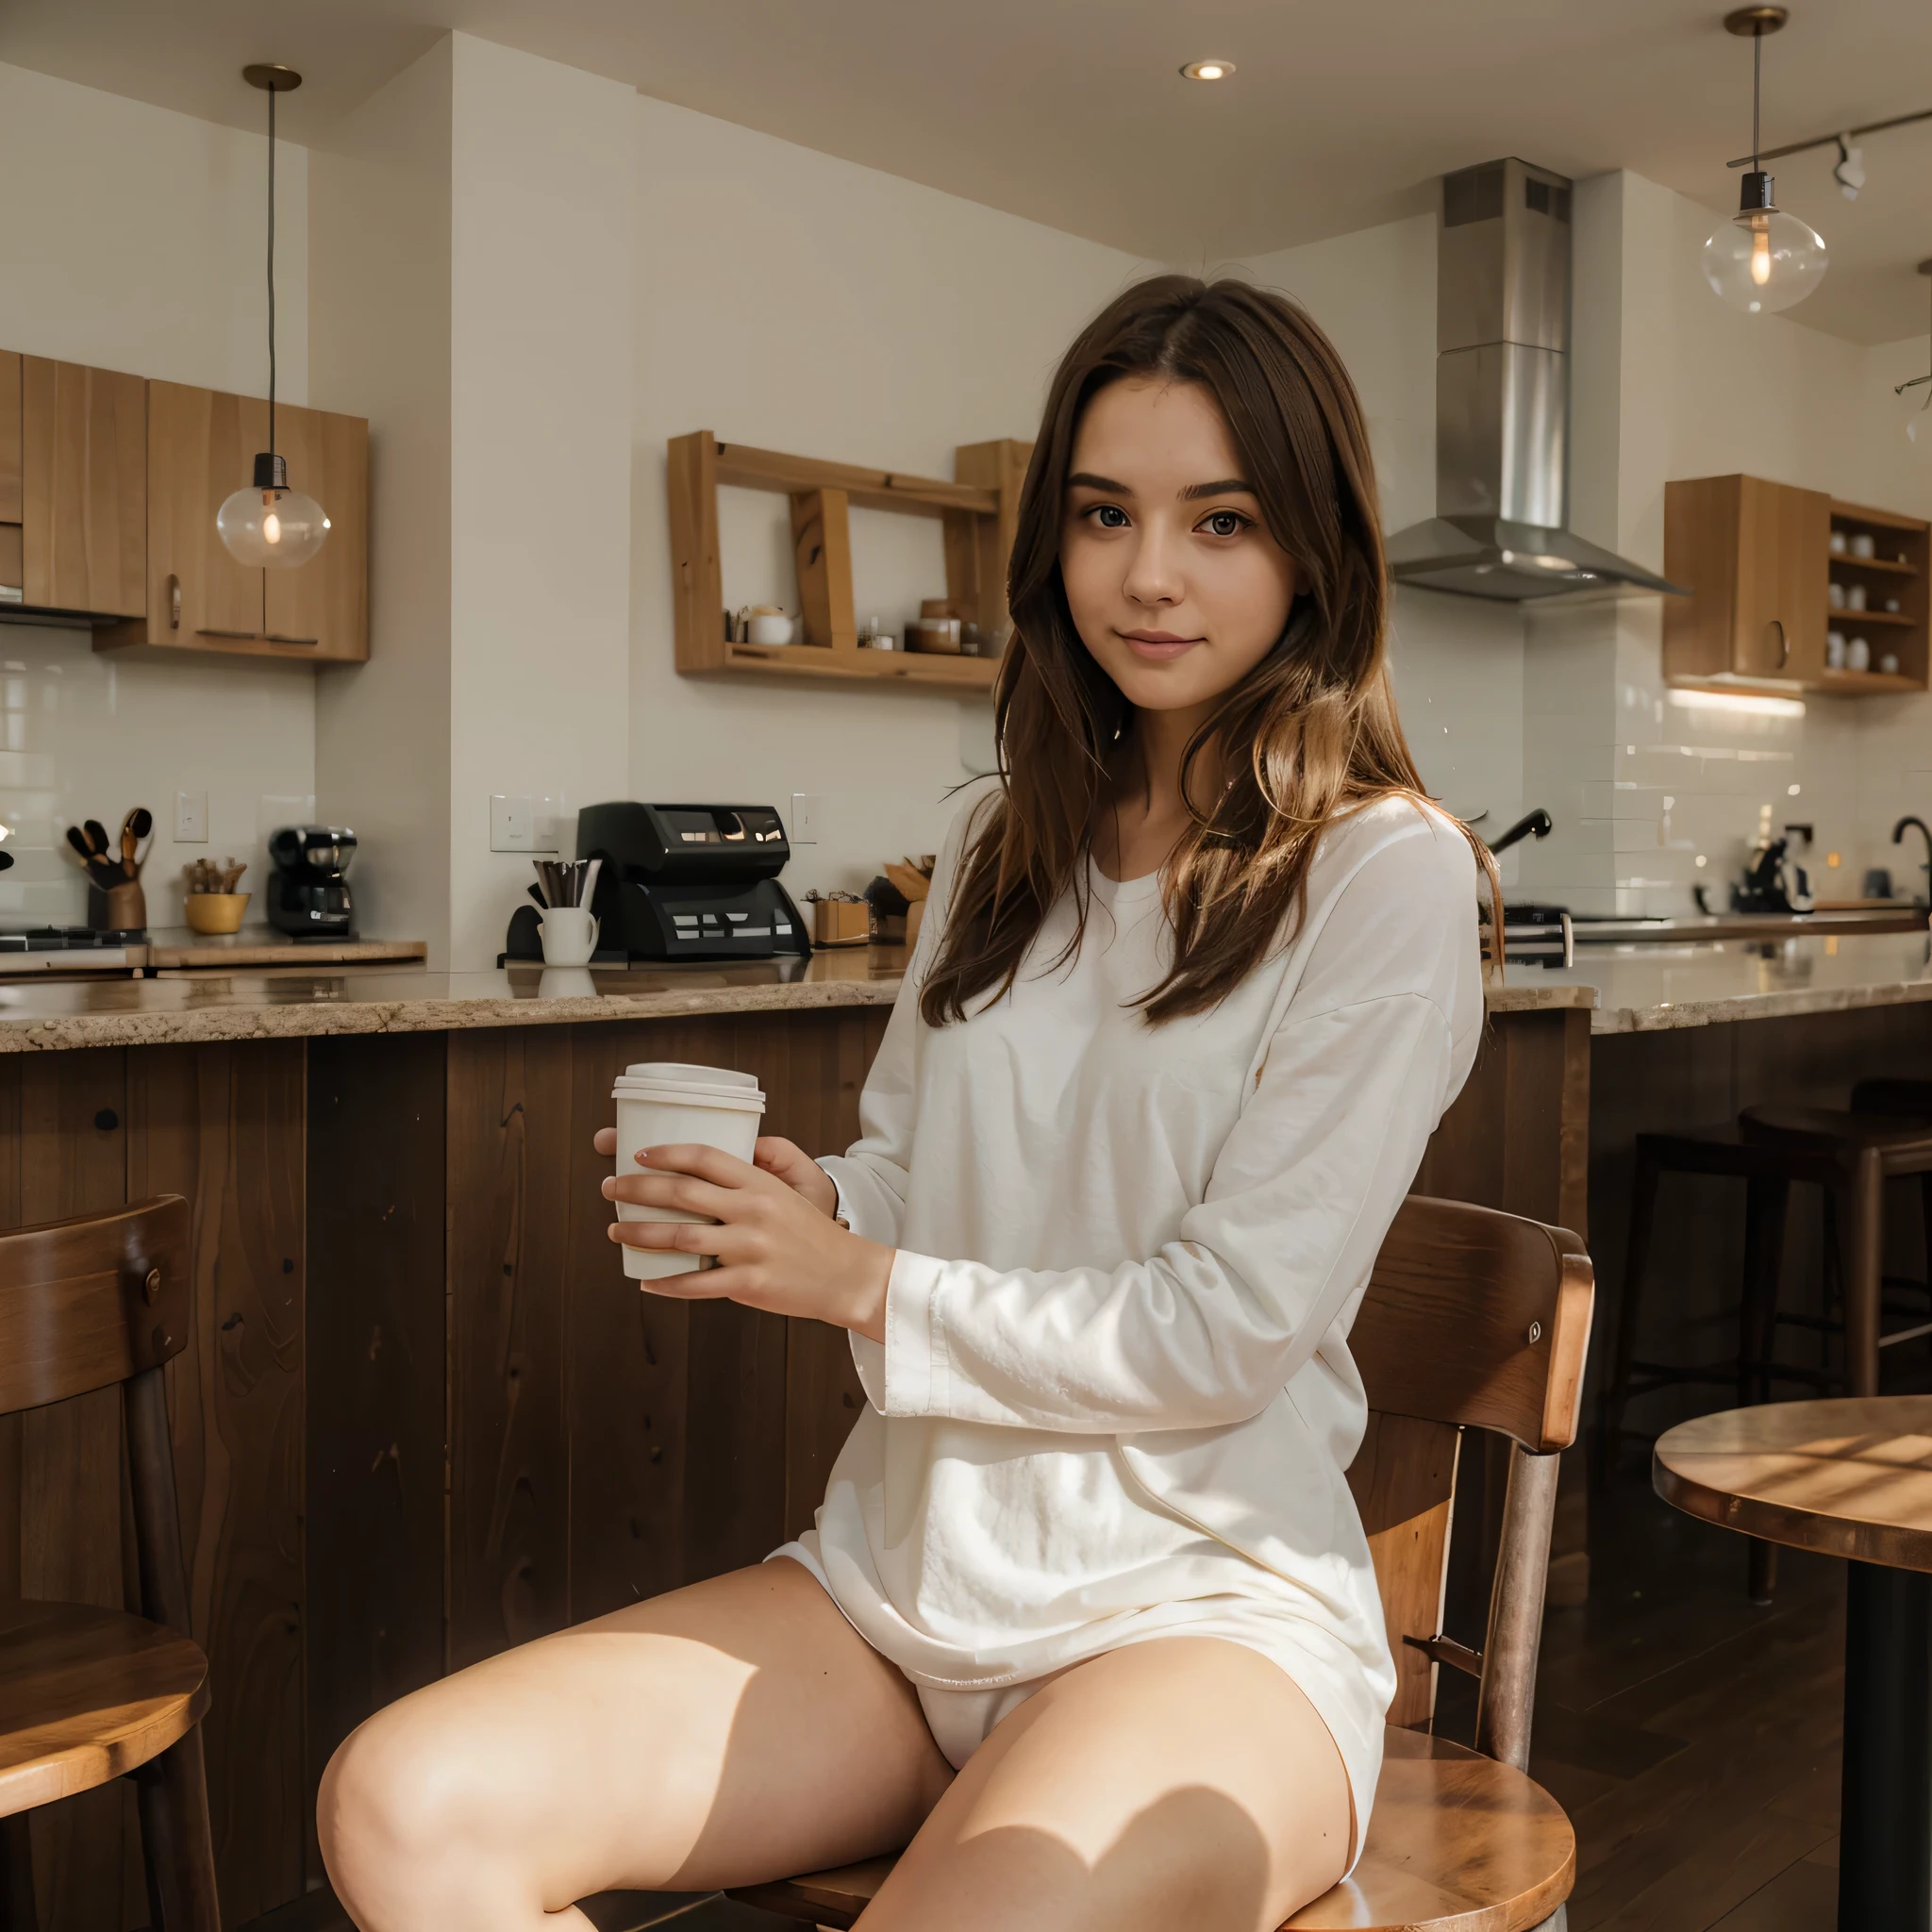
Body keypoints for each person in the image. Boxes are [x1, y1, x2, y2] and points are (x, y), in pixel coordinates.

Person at [318, 275, 1493, 1932]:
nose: (1149, 575)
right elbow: (916, 1166)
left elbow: (1232, 1329)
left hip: (1202, 1625)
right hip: (898, 1594)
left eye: (1219, 521)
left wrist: (863, 1283)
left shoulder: (1385, 875)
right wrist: (810, 1213)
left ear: (1316, 550)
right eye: (1105, 514)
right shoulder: (1003, 850)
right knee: (404, 1807)